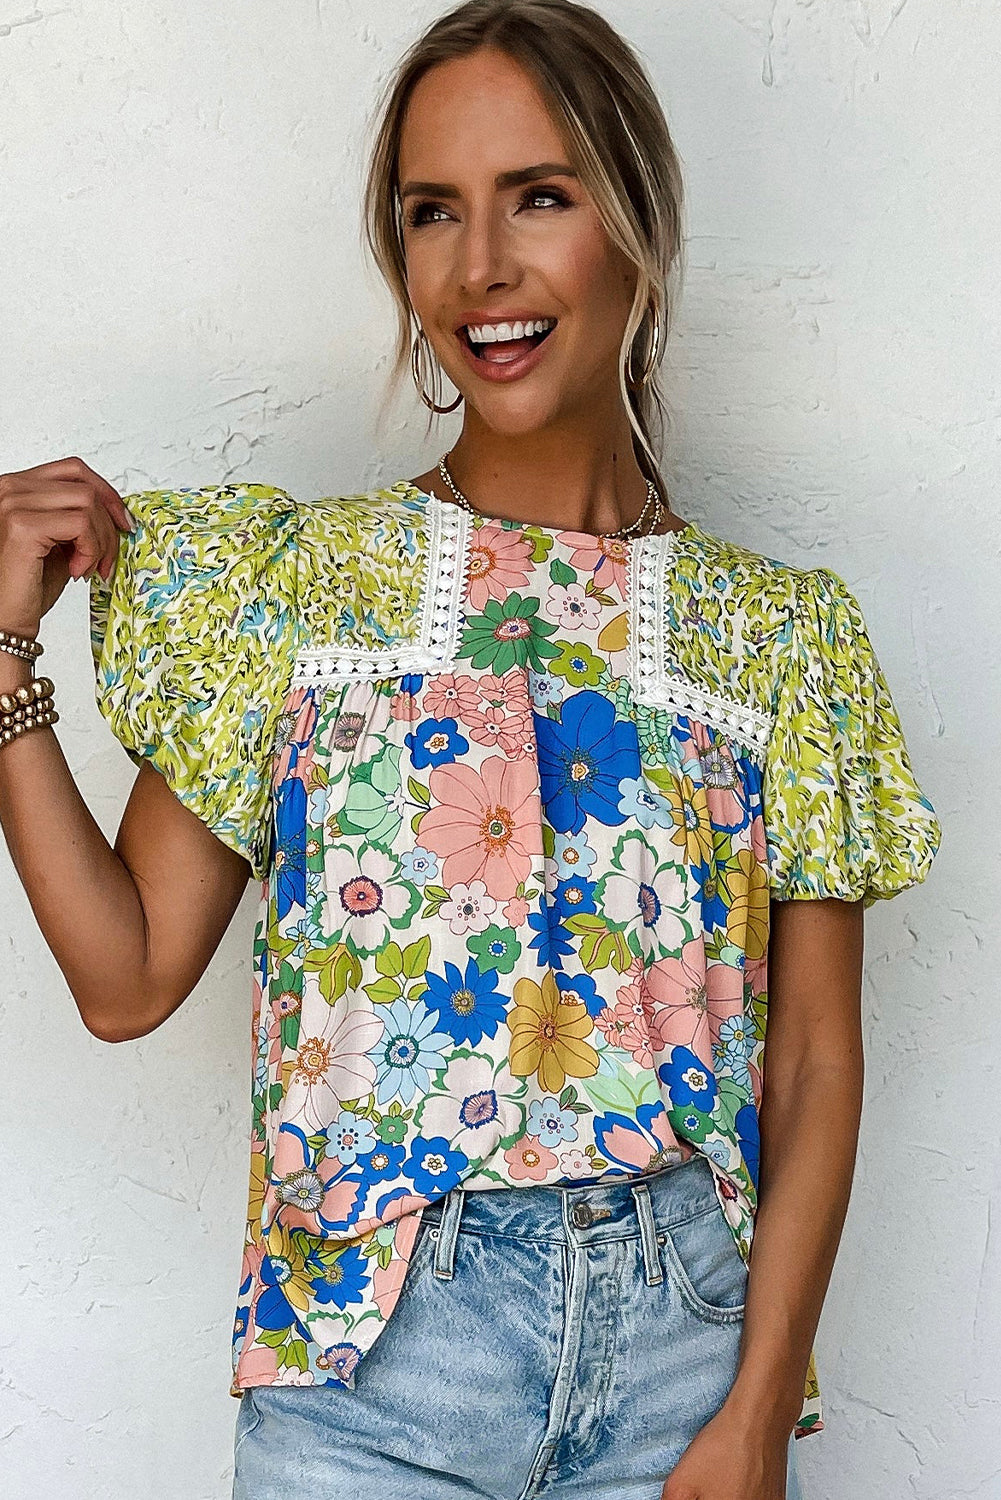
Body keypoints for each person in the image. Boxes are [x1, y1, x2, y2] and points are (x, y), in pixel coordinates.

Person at [0, 2, 942, 1497]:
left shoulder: (782, 638)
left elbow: (818, 1063)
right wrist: (5, 662)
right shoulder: (295, 590)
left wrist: (757, 1412)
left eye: (540, 196)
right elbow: (125, 981)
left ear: (636, 229)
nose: (482, 266)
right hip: (366, 1366)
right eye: (432, 212)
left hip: (682, 1361)